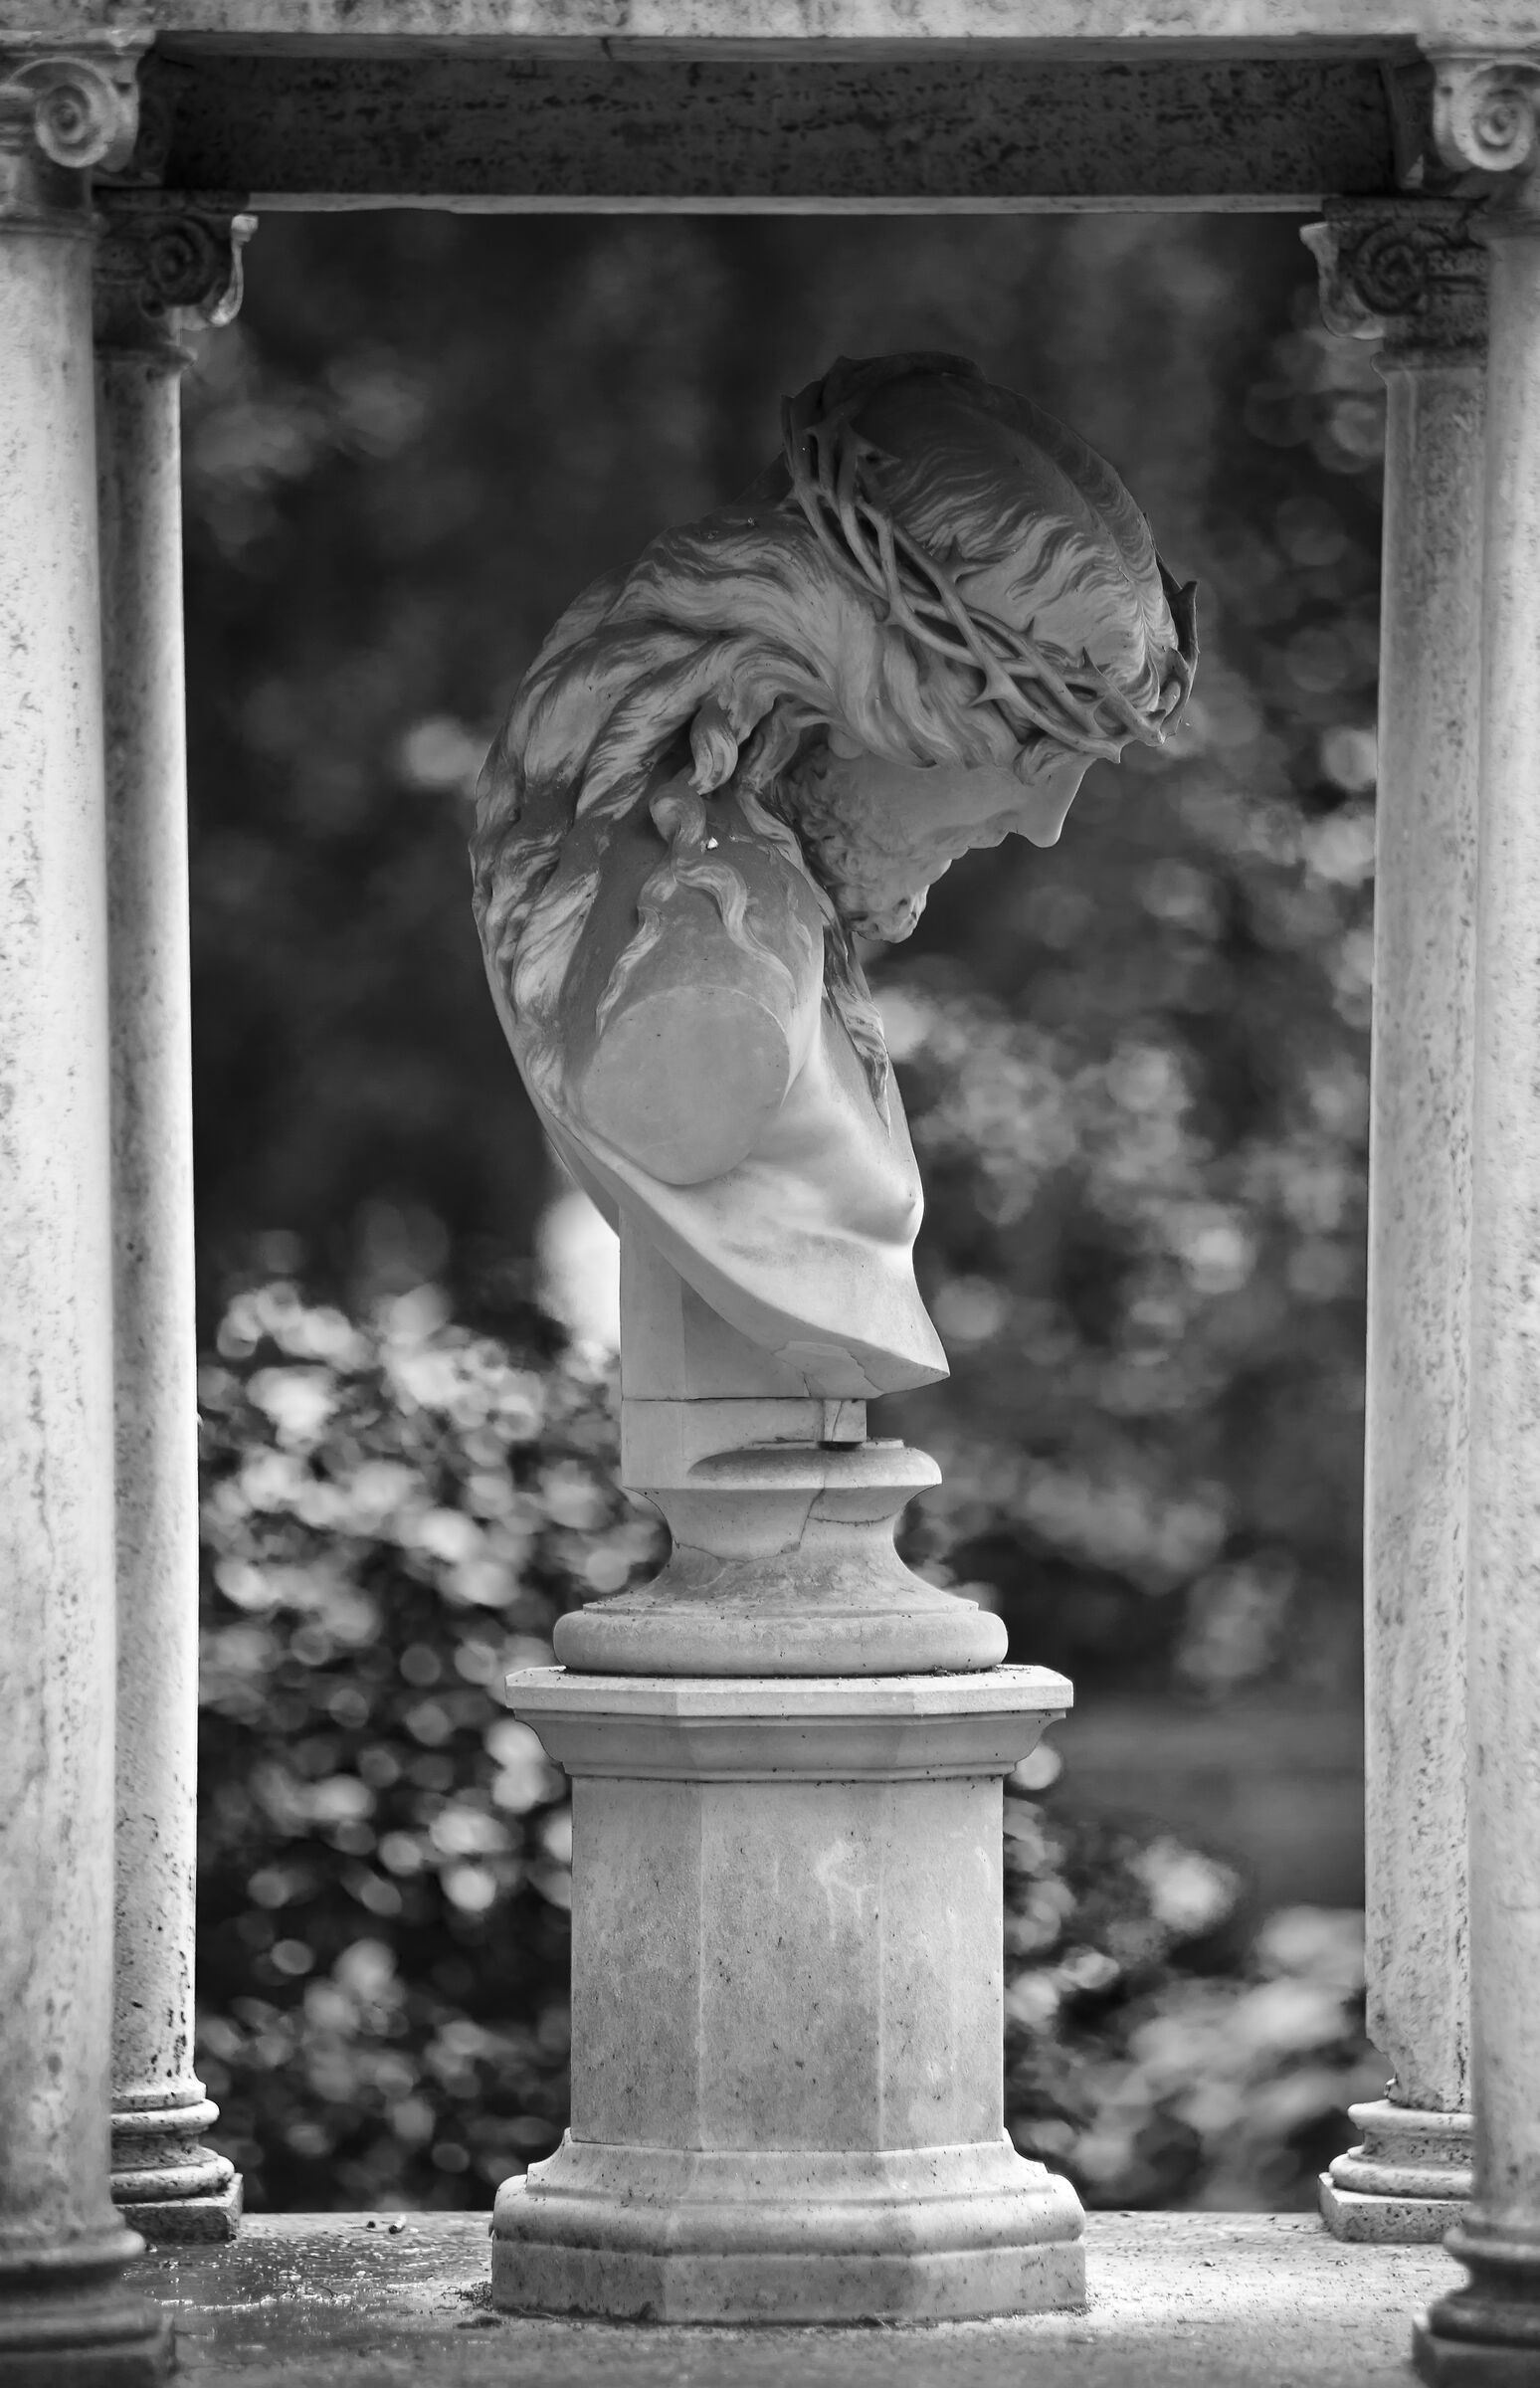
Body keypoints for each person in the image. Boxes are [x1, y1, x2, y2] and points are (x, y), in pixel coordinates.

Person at [473, 351, 1196, 1400]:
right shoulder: (708, 975)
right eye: (1032, 760)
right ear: (850, 695)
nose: (1044, 828)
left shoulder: (781, 922)